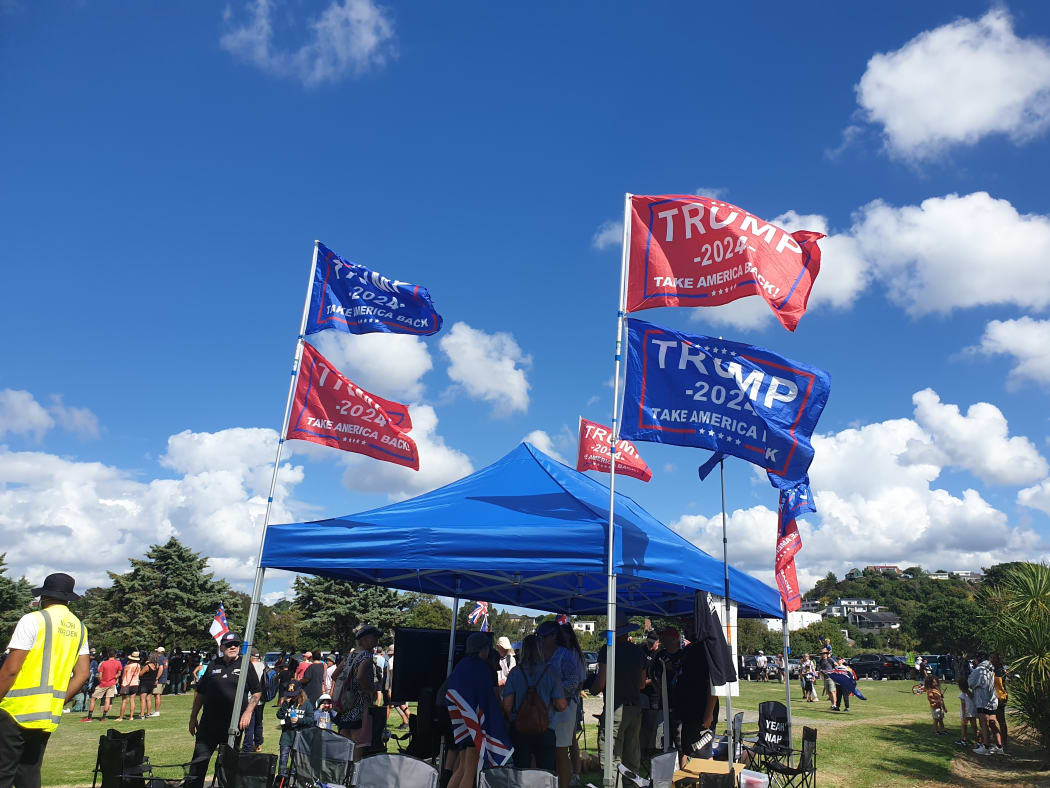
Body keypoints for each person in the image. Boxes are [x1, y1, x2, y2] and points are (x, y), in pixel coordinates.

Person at [0, 573, 90, 788]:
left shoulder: (34, 619)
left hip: (14, 710)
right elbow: (83, 674)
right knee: (29, 774)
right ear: (68, 598)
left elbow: (11, 669)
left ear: (44, 596)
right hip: (46, 715)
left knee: (3, 772)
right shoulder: (79, 628)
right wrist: (58, 702)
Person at [187, 632, 262, 788]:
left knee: (226, 767)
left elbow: (256, 691)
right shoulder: (213, 665)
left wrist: (248, 712)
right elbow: (200, 692)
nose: (232, 647)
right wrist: (193, 717)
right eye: (228, 644)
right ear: (222, 647)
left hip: (233, 725)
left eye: (235, 644)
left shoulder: (245, 665)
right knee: (198, 763)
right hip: (208, 724)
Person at [446, 632, 510, 788]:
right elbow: (486, 699)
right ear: (483, 649)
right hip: (473, 724)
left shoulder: (462, 665)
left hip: (461, 722)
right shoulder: (481, 668)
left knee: (461, 768)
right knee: (470, 771)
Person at [502, 633, 566, 773]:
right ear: (540, 650)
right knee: (547, 773)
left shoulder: (514, 673)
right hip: (545, 728)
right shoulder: (551, 673)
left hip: (520, 728)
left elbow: (507, 706)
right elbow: (561, 706)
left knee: (520, 771)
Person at [592, 615, 646, 776]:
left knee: (611, 756)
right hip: (635, 707)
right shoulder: (638, 651)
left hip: (615, 707)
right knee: (631, 757)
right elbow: (642, 684)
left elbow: (601, 682)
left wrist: (592, 688)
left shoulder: (607, 650)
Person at [333, 626, 381, 759]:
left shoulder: (349, 656)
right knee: (359, 741)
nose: (377, 641)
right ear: (364, 640)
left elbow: (334, 675)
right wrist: (368, 691)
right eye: (374, 637)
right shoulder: (367, 656)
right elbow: (360, 677)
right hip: (359, 704)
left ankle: (344, 770)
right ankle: (355, 771)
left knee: (345, 737)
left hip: (345, 703)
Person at [275, 679, 315, 776]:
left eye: (294, 695)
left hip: (299, 737)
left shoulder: (307, 704)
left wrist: (299, 720)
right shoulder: (288, 703)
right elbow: (279, 715)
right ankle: (281, 778)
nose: (291, 697)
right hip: (286, 736)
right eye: (289, 695)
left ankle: (293, 779)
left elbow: (311, 720)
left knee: (295, 762)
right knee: (283, 761)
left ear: (300, 692)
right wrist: (285, 704)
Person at [967, 652, 1002, 755]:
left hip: (982, 700)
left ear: (978, 659)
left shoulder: (979, 670)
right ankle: (999, 747)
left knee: (984, 723)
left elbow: (970, 683)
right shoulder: (991, 668)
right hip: (992, 699)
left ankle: (986, 746)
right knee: (992, 723)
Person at [83, 648, 122, 722]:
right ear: (115, 655)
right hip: (112, 683)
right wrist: (114, 677)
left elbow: (99, 675)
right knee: (107, 699)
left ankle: (90, 717)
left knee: (93, 698)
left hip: (104, 683)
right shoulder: (118, 663)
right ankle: (103, 717)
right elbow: (119, 673)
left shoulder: (104, 663)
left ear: (108, 655)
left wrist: (101, 681)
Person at [242, 649, 266, 754]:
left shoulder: (248, 666)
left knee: (249, 724)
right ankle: (258, 744)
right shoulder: (263, 665)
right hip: (261, 700)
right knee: (258, 722)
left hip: (250, 698)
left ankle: (247, 746)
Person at [385, 646, 410, 728]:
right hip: (402, 685)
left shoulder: (391, 661)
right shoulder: (402, 659)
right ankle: (406, 722)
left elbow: (393, 675)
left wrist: (391, 688)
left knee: (401, 705)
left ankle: (412, 720)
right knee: (397, 705)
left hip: (395, 687)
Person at [990, 652, 1009, 752]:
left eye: (993, 658)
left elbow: (1000, 685)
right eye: (991, 658)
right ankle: (999, 740)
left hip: (1000, 697)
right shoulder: (993, 670)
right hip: (994, 697)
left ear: (998, 659)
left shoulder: (1001, 671)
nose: (991, 660)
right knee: (994, 720)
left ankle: (1004, 742)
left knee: (1001, 720)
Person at [955, 671, 978, 748]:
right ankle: (979, 741)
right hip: (973, 712)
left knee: (964, 726)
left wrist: (964, 716)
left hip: (966, 713)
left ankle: (963, 740)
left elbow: (963, 706)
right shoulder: (971, 693)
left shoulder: (962, 695)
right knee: (974, 726)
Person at [116, 651, 141, 721]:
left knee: (124, 701)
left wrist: (121, 683)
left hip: (126, 684)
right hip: (135, 683)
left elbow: (123, 676)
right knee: (132, 700)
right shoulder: (138, 666)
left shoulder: (127, 666)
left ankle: (121, 717)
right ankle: (131, 716)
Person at [138, 653, 159, 718]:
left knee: (142, 699)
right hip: (151, 683)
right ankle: (148, 713)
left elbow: (140, 674)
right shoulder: (157, 665)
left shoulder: (147, 666)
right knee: (148, 698)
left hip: (144, 683)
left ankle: (142, 715)